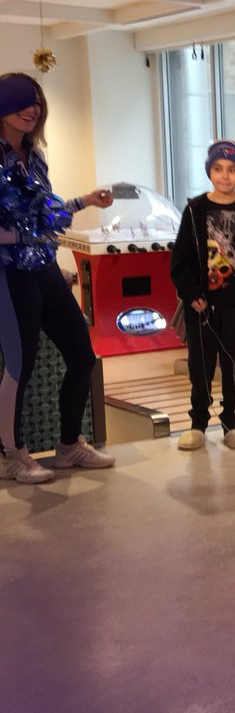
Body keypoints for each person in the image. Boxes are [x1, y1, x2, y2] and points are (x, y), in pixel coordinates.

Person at [0, 72, 116, 484]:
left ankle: (69, 447)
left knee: (82, 355)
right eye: (22, 101)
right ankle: (12, 454)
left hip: (43, 266)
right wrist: (20, 234)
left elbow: (48, 214)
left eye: (36, 103)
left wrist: (85, 201)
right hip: (10, 273)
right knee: (21, 364)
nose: (32, 109)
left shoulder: (35, 157)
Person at [170, 140, 235, 450]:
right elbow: (181, 260)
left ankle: (231, 421)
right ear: (209, 171)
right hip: (202, 306)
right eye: (218, 169)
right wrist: (191, 294)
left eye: (231, 170)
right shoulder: (195, 209)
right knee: (199, 366)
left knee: (234, 367)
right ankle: (198, 422)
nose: (225, 176)